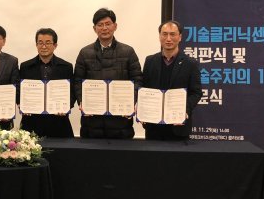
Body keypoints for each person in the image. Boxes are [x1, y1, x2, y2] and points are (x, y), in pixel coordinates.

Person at [73, 8, 142, 139]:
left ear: (115, 26)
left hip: (121, 123)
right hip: (92, 123)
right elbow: (77, 81)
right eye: (100, 25)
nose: (104, 28)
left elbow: (138, 80)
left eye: (108, 24)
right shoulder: (85, 53)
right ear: (94, 28)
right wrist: (82, 101)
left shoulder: (128, 52)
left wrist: (130, 102)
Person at [141, 20, 202, 140]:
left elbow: (196, 92)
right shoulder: (150, 61)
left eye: (172, 34)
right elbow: (144, 88)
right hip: (153, 127)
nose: (168, 39)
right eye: (164, 34)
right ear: (159, 36)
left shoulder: (190, 64)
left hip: (178, 127)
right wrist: (142, 109)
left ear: (180, 37)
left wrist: (184, 110)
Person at [19, 28, 75, 137]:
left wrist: (67, 106)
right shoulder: (25, 66)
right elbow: (19, 90)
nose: (44, 46)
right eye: (40, 43)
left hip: (59, 122)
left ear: (55, 45)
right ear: (36, 45)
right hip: (31, 122)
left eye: (48, 43)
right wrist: (22, 104)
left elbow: (72, 92)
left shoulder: (66, 67)